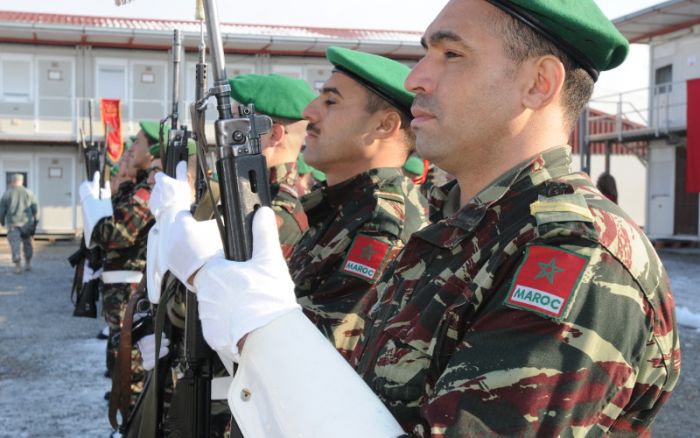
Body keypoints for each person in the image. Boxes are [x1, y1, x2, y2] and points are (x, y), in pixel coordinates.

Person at [151, 1, 681, 436]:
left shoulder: (577, 253)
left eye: (452, 54)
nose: (416, 79)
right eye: (425, 53)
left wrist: (267, 327)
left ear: (539, 83)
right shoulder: (458, 236)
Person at [286, 47, 428, 357]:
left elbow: (323, 348)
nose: (309, 112)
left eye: (331, 102)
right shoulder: (343, 205)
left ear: (384, 125)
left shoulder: (383, 219)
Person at [80, 120, 157, 411]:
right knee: (119, 354)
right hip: (120, 288)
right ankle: (125, 413)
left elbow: (110, 234)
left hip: (131, 289)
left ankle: (132, 417)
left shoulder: (146, 191)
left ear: (151, 154)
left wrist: (92, 204)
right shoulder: (135, 189)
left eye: (136, 144)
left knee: (130, 360)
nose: (129, 151)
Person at [0, 173, 39, 273]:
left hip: (13, 224)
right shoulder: (29, 192)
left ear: (13, 181)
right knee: (27, 243)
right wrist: (36, 221)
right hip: (27, 223)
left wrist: (2, 221)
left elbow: (2, 209)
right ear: (22, 182)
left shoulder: (7, 193)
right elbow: (35, 208)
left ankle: (18, 266)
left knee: (15, 244)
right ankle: (28, 264)